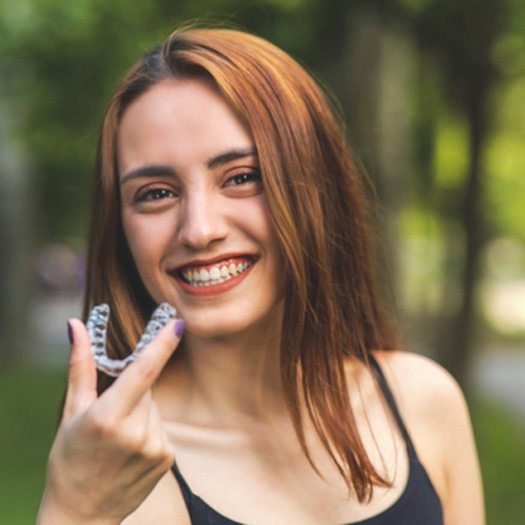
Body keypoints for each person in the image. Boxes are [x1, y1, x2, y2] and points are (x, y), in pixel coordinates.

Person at [37, 27, 484, 525]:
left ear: (318, 189)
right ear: (120, 230)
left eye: (242, 177)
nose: (200, 230)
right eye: (157, 193)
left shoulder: (424, 401)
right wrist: (73, 510)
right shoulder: (126, 470)